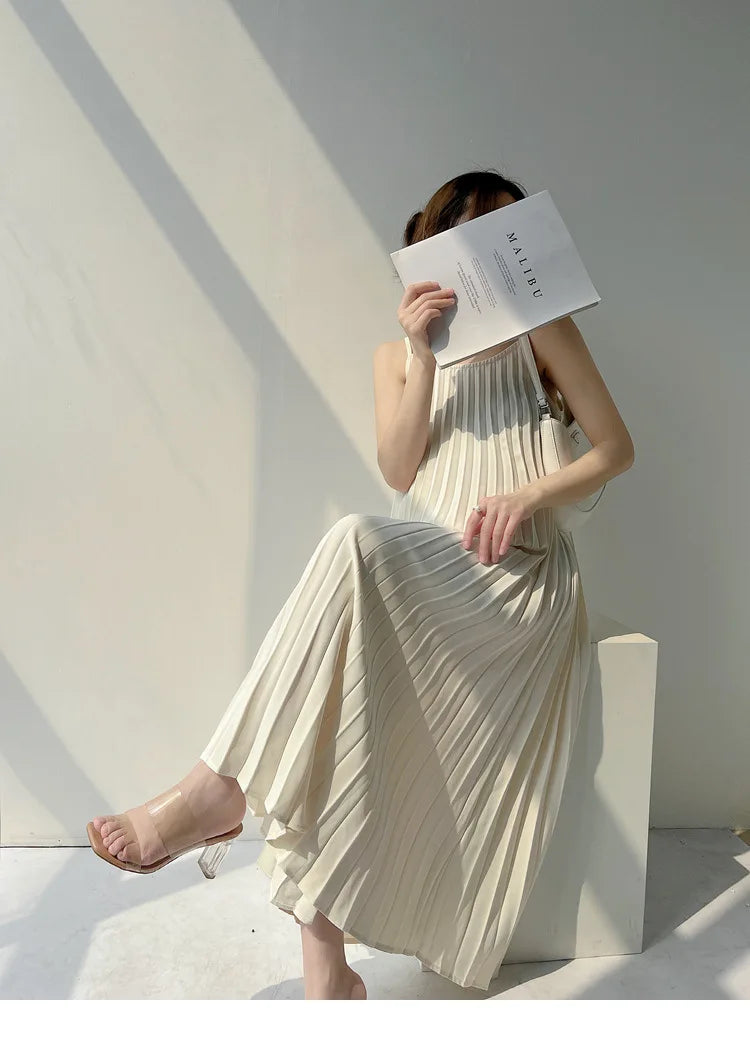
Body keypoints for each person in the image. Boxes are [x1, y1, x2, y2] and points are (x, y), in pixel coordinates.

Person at [87, 168, 635, 999]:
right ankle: (327, 975)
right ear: (432, 245)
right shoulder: (395, 356)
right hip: (422, 561)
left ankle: (214, 790)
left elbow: (614, 449)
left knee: (352, 541)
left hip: (514, 581)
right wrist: (420, 355)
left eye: (503, 235)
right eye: (468, 235)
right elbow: (398, 466)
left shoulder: (541, 330)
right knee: (333, 695)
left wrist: (529, 494)